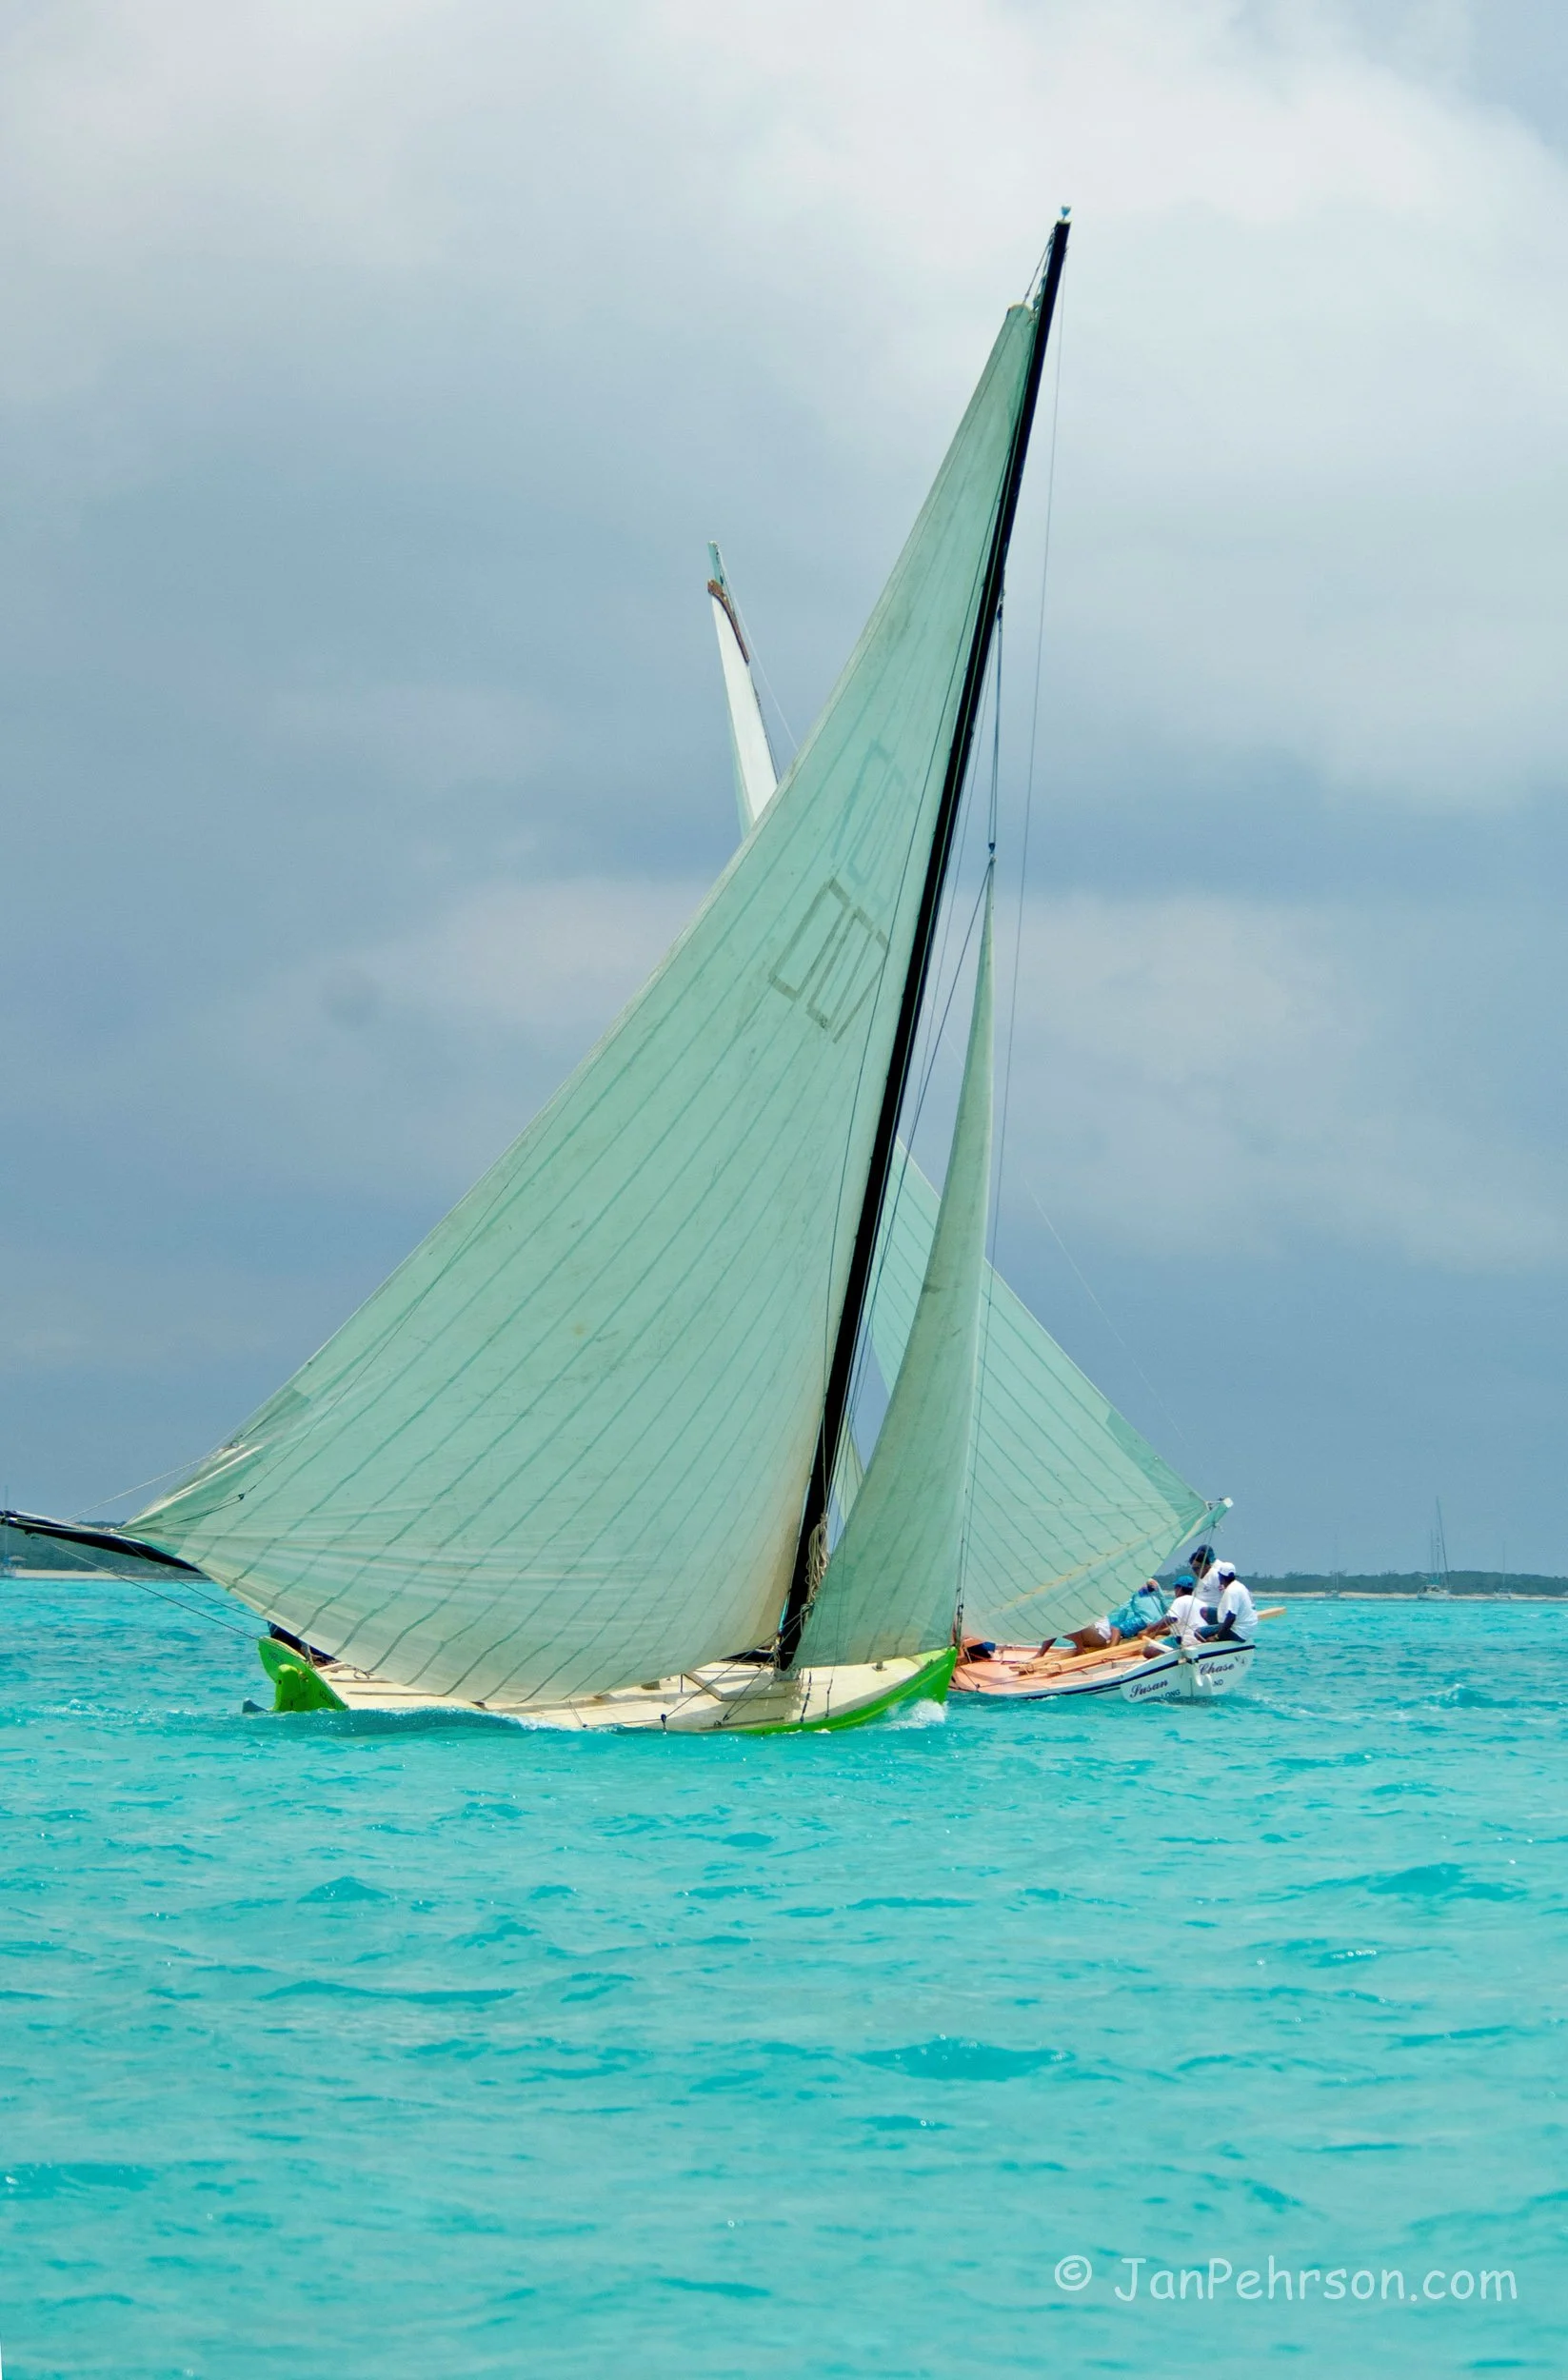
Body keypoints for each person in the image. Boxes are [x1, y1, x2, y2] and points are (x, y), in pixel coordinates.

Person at [1193, 1560, 1257, 1645]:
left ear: (1220, 1577)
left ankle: (1215, 1645)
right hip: (1245, 1627)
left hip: (1238, 1631)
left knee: (1198, 1633)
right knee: (1204, 1611)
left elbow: (1231, 1617)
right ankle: (1217, 1632)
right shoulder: (1239, 1586)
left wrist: (1217, 1637)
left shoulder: (1232, 1591)